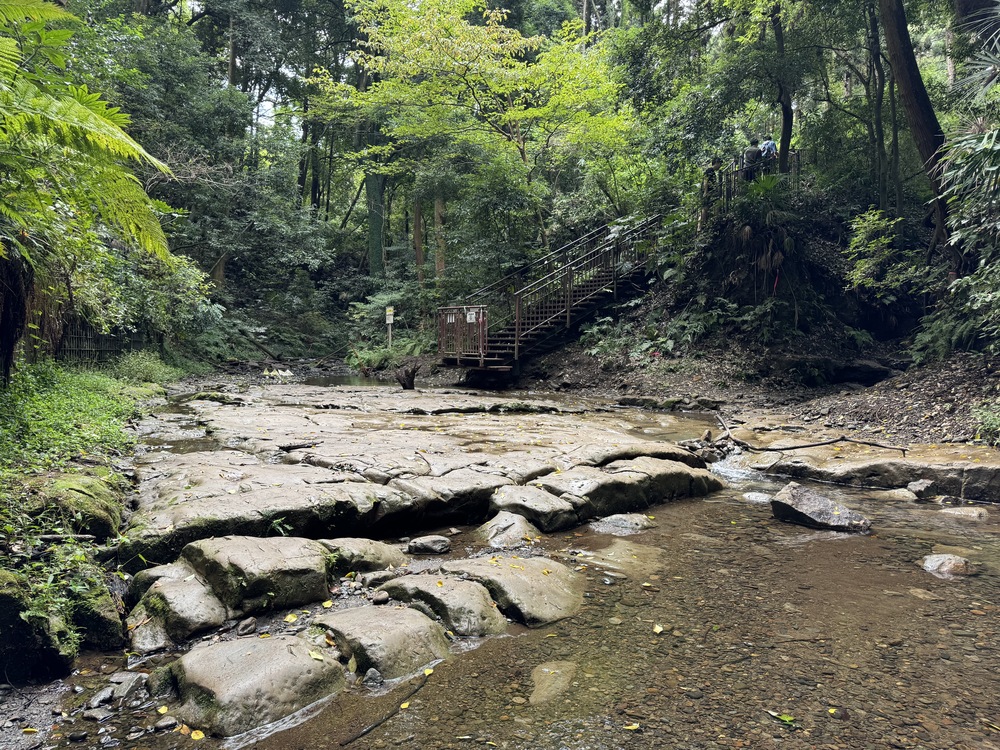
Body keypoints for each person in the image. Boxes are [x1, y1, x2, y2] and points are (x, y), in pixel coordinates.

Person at [699, 156, 723, 230]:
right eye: (720, 164)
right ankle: (701, 226)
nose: (720, 166)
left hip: (710, 192)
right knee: (705, 208)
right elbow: (706, 180)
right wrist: (705, 192)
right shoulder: (709, 170)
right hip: (707, 192)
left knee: (707, 207)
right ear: (716, 163)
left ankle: (704, 225)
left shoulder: (712, 172)